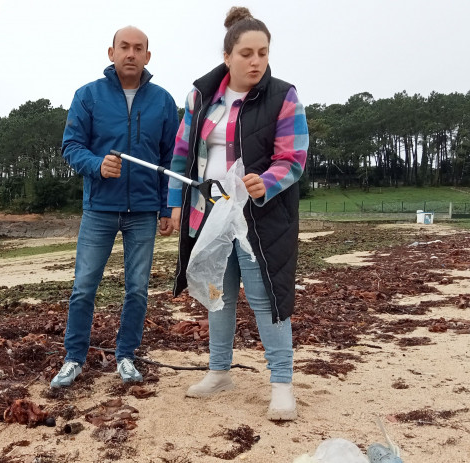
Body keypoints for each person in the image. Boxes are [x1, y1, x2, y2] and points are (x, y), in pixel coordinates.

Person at [168, 7, 308, 421]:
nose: (256, 62)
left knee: (267, 300)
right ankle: (218, 371)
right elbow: (181, 153)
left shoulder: (284, 96)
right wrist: (175, 203)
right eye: (247, 53)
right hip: (209, 213)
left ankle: (282, 386)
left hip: (259, 219)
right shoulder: (200, 96)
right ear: (227, 55)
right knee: (218, 296)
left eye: (263, 53)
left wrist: (267, 180)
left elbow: (294, 157)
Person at [51, 26, 179, 388]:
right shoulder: (88, 96)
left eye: (139, 48)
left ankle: (126, 356)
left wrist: (168, 207)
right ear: (111, 52)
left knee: (137, 288)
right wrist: (97, 165)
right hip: (99, 209)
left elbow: (172, 159)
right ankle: (74, 359)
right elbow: (71, 146)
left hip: (143, 211)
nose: (131, 54)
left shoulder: (163, 101)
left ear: (147, 57)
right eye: (124, 47)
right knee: (83, 287)